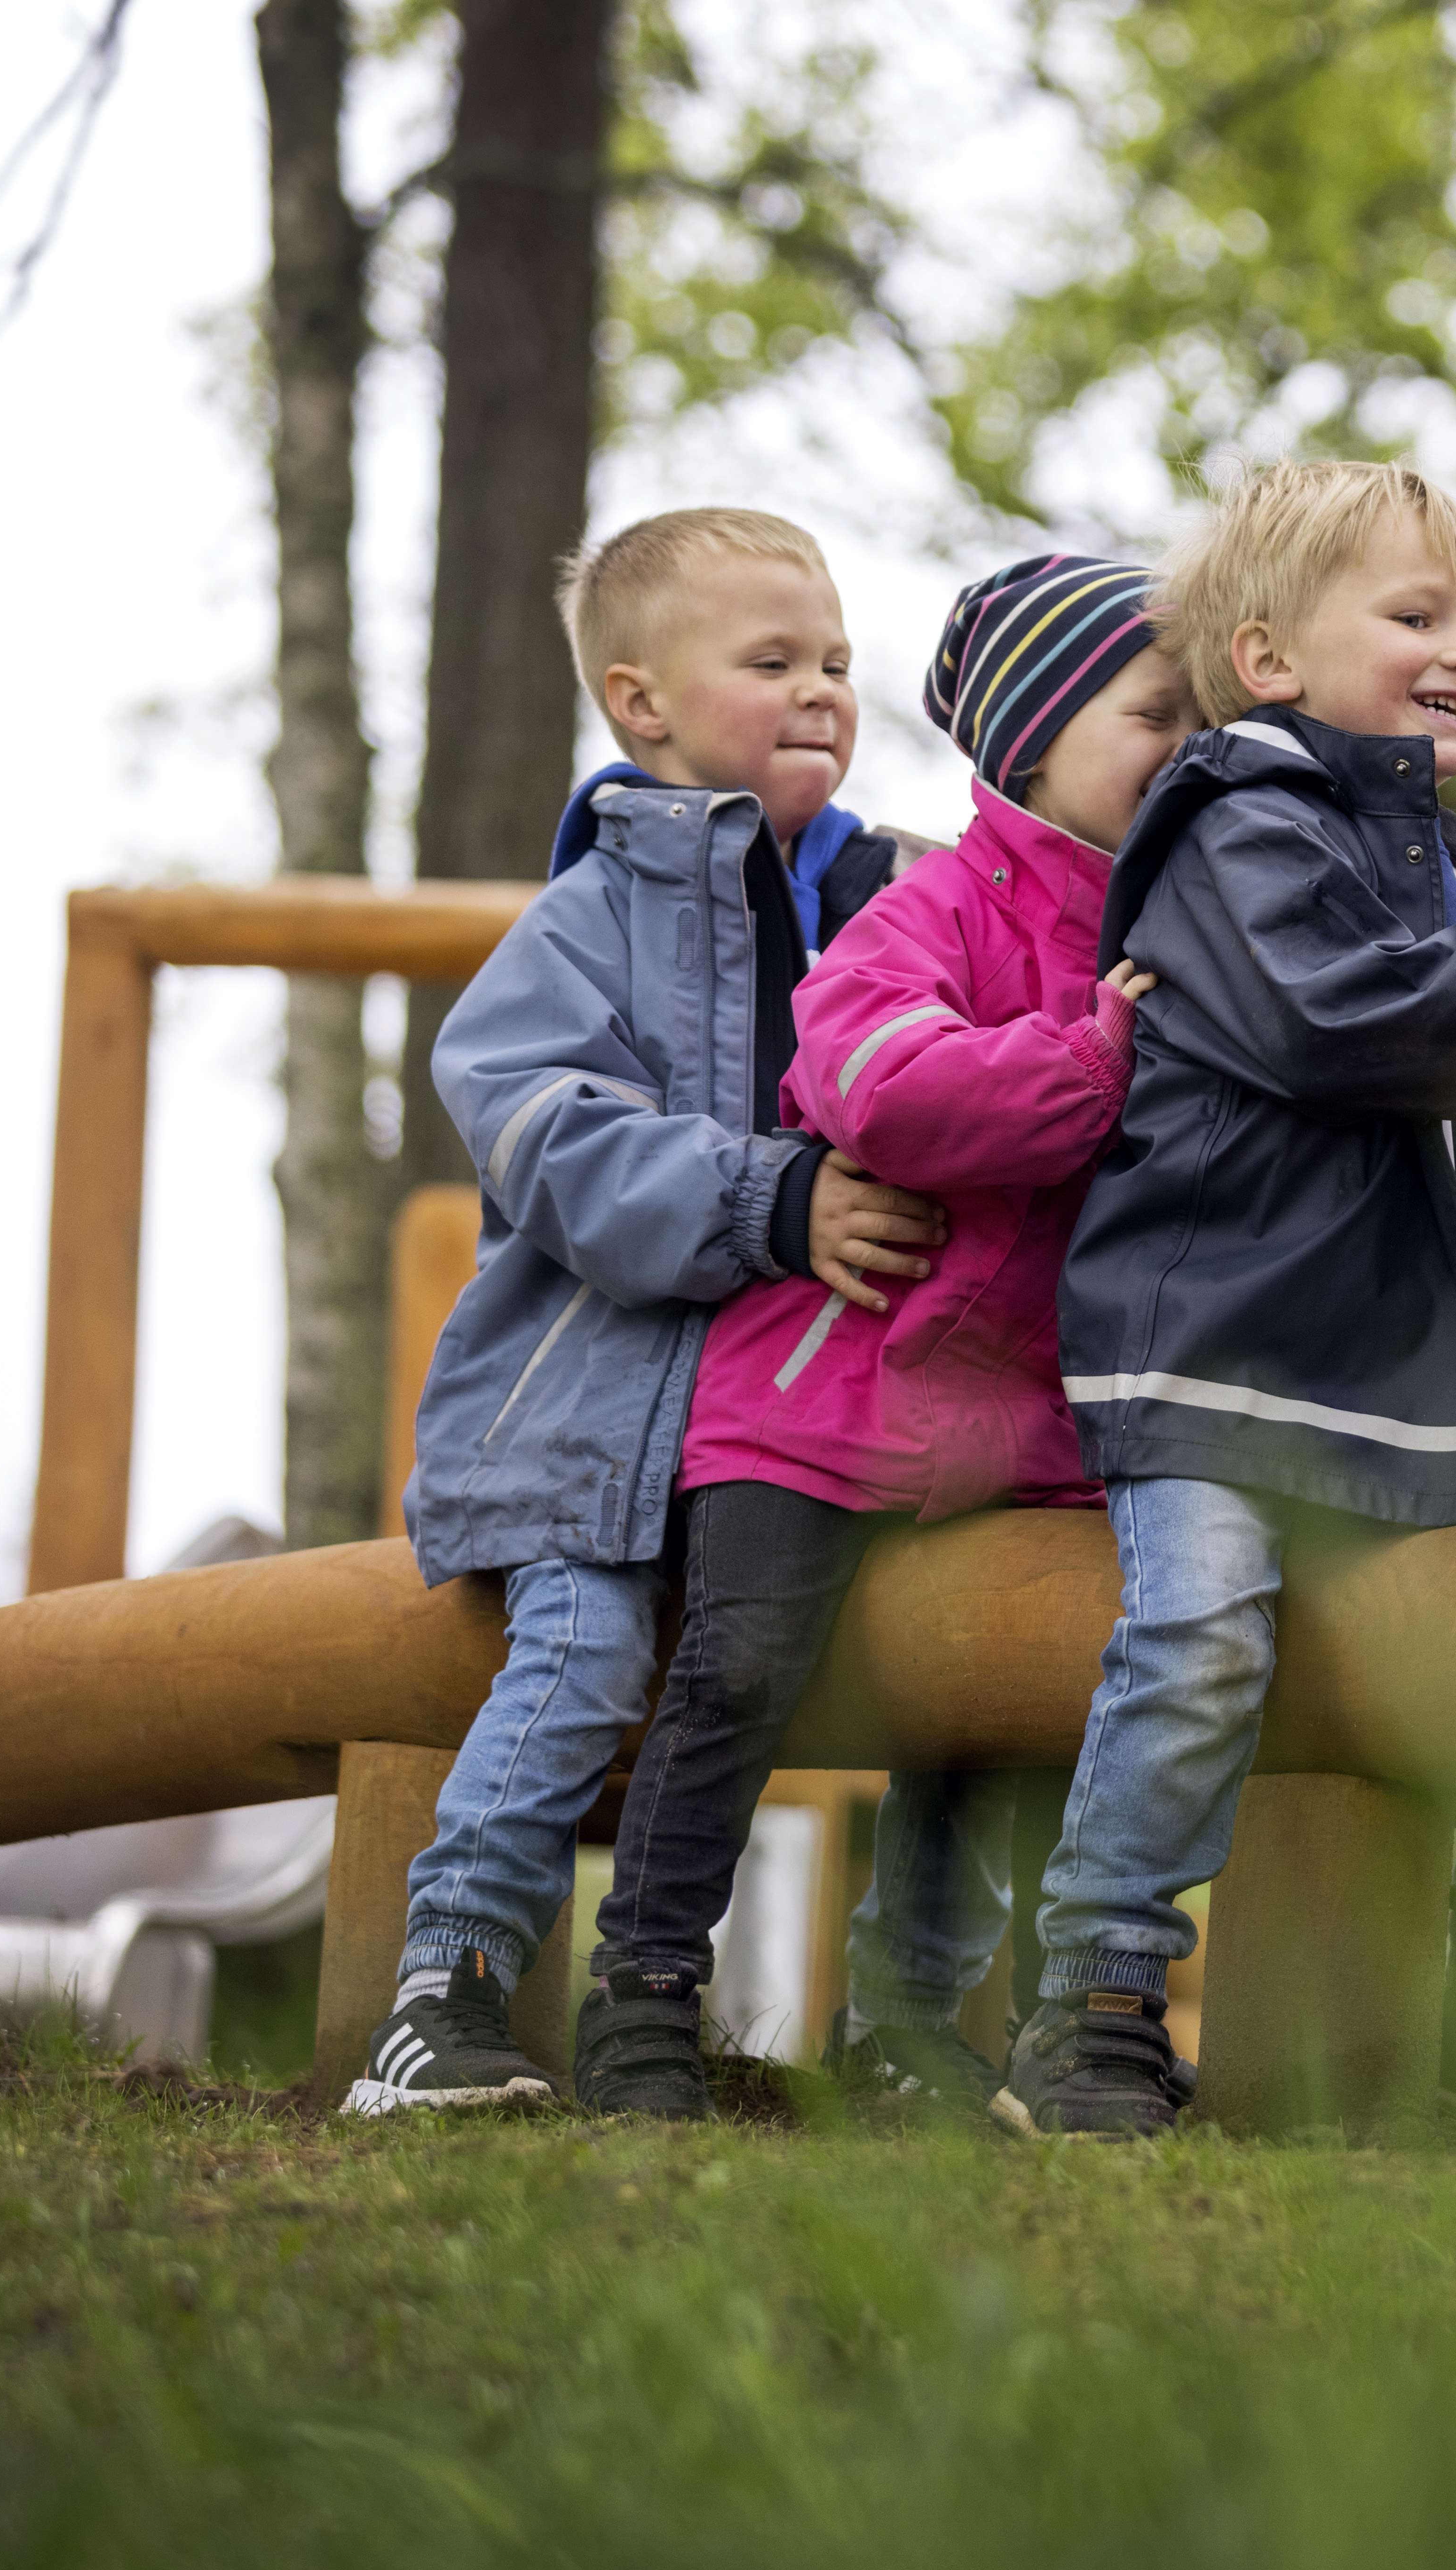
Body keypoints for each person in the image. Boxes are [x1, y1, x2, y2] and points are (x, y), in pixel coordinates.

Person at [1010, 460, 1456, 2140]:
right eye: (1417, 616)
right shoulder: (1233, 821)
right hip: (1210, 1344)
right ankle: (1102, 1996)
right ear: (1266, 658)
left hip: (1392, 1371)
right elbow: (1345, 1021)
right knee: (1196, 1638)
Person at [352, 508, 948, 2115]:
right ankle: (447, 1993)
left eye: (834, 659)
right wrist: (771, 1196)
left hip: (807, 1428)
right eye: (771, 662)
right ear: (643, 704)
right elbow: (544, 1132)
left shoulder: (893, 898)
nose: (822, 689)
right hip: (595, 1419)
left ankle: (919, 2024)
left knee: (947, 1658)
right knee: (584, 1656)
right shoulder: (588, 921)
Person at [604, 552, 1187, 2124]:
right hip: (819, 1394)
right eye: (1157, 711)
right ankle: (646, 1998)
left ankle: (913, 2027)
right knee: (735, 1674)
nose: (1191, 745)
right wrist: (1098, 1063)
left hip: (1029, 1420)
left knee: (995, 1726)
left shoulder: (1191, 918)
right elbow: (885, 1087)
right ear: (1033, 738)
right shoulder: (927, 901)